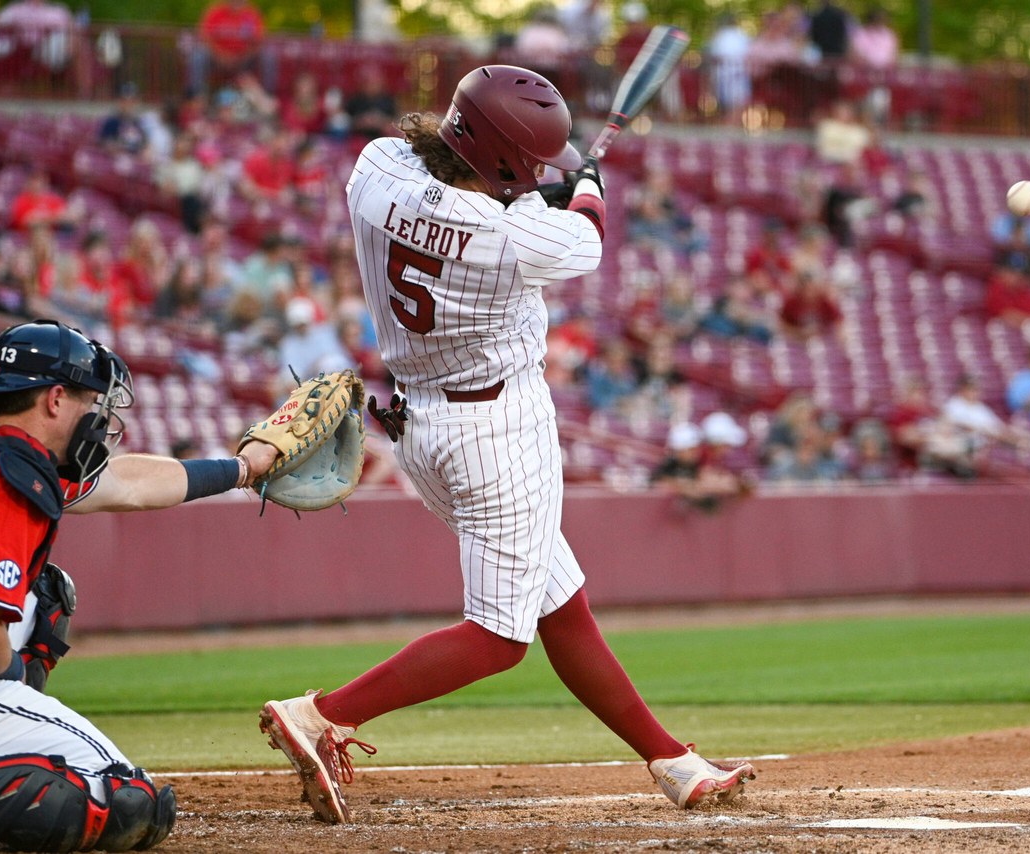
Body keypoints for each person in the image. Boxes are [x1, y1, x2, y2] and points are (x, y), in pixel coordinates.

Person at [259, 65, 754, 825]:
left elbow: (464, 200)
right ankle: (322, 714)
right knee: (498, 639)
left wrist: (537, 189)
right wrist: (585, 187)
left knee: (562, 605)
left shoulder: (376, 167)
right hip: (497, 431)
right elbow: (584, 235)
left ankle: (672, 763)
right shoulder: (518, 236)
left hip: (421, 426)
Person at [0, 320, 279, 851]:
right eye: (90, 400)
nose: (97, 415)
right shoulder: (7, 476)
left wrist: (244, 468)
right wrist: (12, 675)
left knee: (44, 594)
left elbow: (128, 483)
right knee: (127, 800)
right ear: (56, 400)